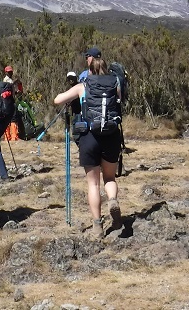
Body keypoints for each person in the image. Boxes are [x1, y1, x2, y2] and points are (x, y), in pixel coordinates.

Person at [54, 53, 123, 238]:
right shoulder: (115, 85)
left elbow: (57, 100)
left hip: (89, 137)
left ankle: (97, 226)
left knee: (93, 184)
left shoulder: (83, 86)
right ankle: (113, 200)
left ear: (89, 70)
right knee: (109, 178)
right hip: (111, 135)